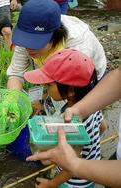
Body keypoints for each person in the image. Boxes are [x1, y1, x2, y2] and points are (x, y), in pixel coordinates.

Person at [23, 48, 106, 188]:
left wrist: (51, 184)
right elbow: (103, 127)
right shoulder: (92, 104)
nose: (44, 86)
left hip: (74, 182)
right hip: (91, 173)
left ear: (71, 91)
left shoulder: (71, 122)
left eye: (49, 84)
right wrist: (89, 147)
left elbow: (70, 166)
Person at [7, 0, 107, 91]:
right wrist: (12, 99)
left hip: (87, 76)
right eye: (25, 41)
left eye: (35, 43)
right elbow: (16, 73)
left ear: (55, 36)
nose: (28, 48)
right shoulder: (27, 33)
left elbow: (71, 87)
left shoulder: (77, 46)